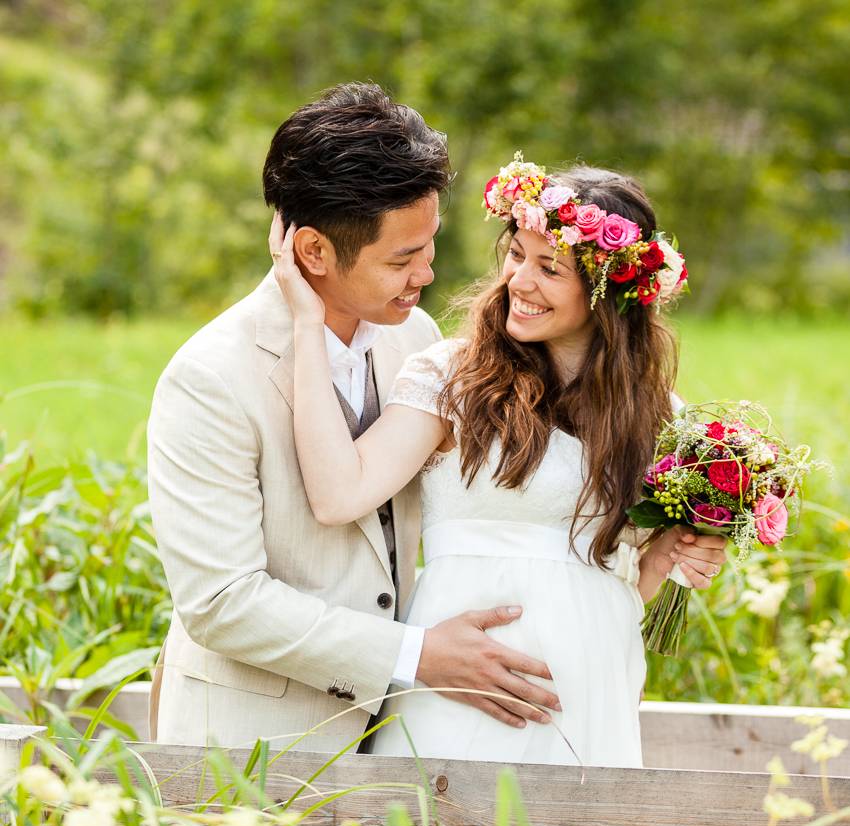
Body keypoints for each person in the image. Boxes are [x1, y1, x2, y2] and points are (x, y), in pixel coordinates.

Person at [272, 154, 727, 766]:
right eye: (517, 255)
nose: (520, 280)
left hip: (586, 684)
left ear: (609, 292)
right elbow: (337, 493)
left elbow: (602, 583)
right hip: (461, 682)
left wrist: (665, 560)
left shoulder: (656, 415)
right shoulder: (453, 378)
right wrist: (306, 324)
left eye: (550, 268)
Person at [147, 86, 562, 752]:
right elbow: (221, 603)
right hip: (251, 751)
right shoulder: (208, 379)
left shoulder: (414, 336)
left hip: (403, 736)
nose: (426, 273)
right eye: (401, 259)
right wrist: (413, 654)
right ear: (312, 251)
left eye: (429, 247)